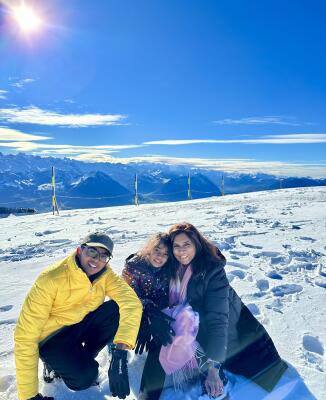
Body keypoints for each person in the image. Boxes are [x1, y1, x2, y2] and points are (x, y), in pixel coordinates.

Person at [139, 222, 288, 400]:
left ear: (197, 244)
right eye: (176, 246)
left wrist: (214, 369)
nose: (181, 251)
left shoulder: (212, 271)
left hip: (222, 329)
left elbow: (218, 320)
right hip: (186, 321)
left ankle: (207, 367)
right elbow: (141, 264)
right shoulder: (170, 265)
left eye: (186, 244)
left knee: (187, 325)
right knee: (163, 336)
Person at [14, 232, 142, 400]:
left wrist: (120, 352)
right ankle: (54, 366)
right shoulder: (51, 279)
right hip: (52, 338)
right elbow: (24, 336)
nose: (96, 260)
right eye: (92, 252)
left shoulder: (106, 275)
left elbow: (132, 303)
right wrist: (29, 396)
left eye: (103, 255)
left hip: (78, 325)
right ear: (80, 251)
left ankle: (81, 358)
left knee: (116, 309)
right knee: (85, 379)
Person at [121, 233, 176, 394]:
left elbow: (165, 296)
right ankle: (116, 350)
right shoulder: (133, 266)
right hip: (130, 312)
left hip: (154, 314)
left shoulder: (167, 271)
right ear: (149, 248)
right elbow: (129, 297)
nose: (160, 256)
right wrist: (146, 312)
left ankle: (150, 388)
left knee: (164, 331)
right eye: (157, 250)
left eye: (166, 254)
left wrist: (155, 315)